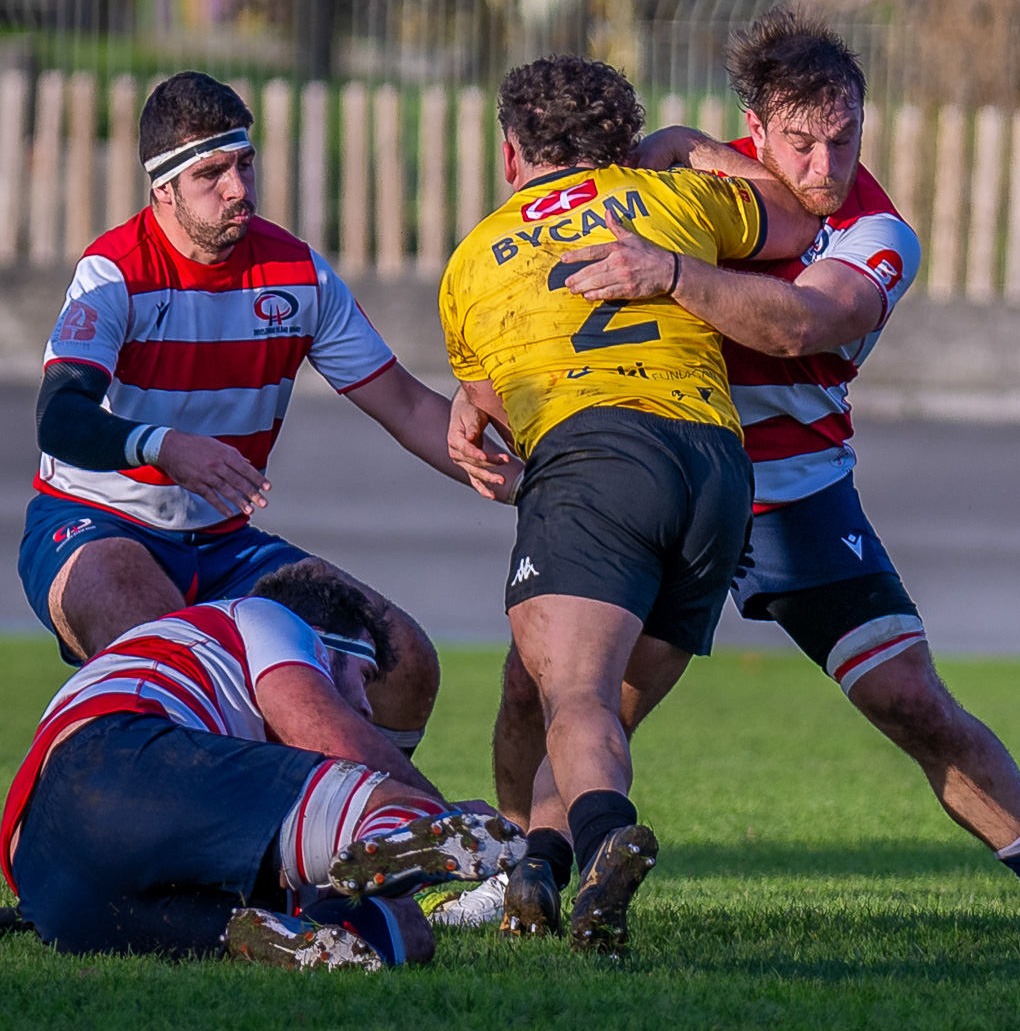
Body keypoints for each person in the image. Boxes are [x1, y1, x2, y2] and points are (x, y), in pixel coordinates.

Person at [434, 10, 1020, 947]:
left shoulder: (877, 231)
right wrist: (473, 388)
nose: (822, 168)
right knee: (551, 690)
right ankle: (528, 869)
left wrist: (674, 275)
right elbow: (545, 270)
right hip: (667, 470)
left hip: (794, 494)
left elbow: (805, 324)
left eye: (842, 140)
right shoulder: (683, 173)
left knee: (910, 702)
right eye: (800, 144)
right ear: (756, 132)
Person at [436, 54, 821, 956]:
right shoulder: (674, 201)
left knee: (573, 694)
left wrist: (471, 407)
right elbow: (798, 213)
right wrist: (696, 150)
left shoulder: (470, 263)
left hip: (597, 458)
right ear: (628, 140)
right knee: (576, 702)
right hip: (715, 472)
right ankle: (533, 866)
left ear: (509, 153)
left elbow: (491, 398)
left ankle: (608, 843)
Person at [20, 72, 514, 754]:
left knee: (403, 663)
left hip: (225, 545)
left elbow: (404, 405)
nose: (238, 188)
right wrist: (164, 447)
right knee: (197, 671)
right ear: (163, 187)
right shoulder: (114, 273)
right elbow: (60, 418)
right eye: (212, 174)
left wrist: (533, 485)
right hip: (93, 528)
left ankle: (358, 843)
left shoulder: (297, 275)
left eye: (245, 164)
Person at [2, 560, 522, 970]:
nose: (366, 707)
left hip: (48, 878)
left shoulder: (189, 674)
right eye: (363, 677)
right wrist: (437, 808)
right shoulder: (269, 618)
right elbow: (318, 725)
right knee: (386, 799)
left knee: (409, 929)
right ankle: (410, 827)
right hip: (121, 760)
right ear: (322, 638)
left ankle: (267, 936)